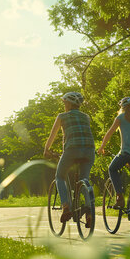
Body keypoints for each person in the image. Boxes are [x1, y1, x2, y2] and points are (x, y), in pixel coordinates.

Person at [43, 91, 95, 224]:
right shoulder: (86, 117)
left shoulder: (62, 116)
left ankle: (66, 206)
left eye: (64, 102)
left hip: (72, 150)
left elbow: (53, 135)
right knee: (84, 180)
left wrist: (47, 149)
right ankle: (89, 211)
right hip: (89, 151)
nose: (64, 104)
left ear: (69, 103)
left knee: (59, 177)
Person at [98, 96, 130, 209]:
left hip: (127, 153)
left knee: (112, 169)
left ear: (122, 107)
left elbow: (109, 133)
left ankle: (119, 197)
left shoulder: (121, 117)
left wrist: (102, 147)